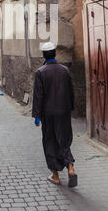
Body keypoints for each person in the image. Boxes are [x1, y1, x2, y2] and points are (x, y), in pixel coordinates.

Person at [32, 42, 77, 187]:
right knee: (64, 139)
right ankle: (70, 167)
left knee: (50, 142)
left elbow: (38, 96)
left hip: (49, 113)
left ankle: (55, 175)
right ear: (55, 54)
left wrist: (37, 116)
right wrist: (70, 108)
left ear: (43, 55)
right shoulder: (65, 70)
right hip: (63, 112)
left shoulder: (40, 72)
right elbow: (71, 92)